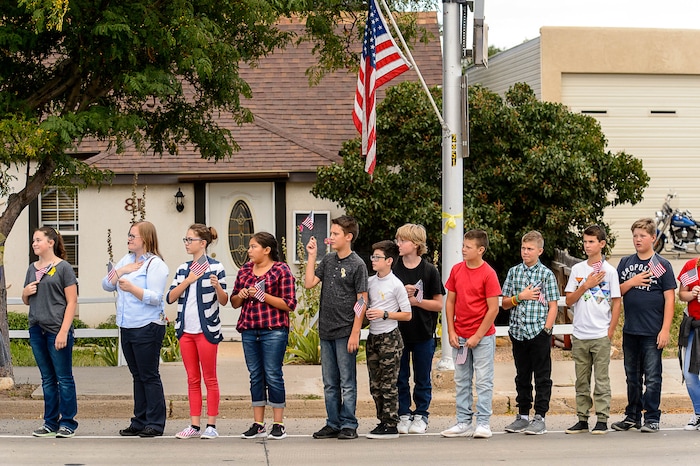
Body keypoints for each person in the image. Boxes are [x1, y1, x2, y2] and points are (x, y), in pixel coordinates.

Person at [102, 221, 169, 438]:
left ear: (146, 239)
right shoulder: (127, 260)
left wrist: (132, 288)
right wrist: (121, 270)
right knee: (137, 376)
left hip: (147, 326)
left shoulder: (155, 264)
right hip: (127, 325)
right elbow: (106, 283)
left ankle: (155, 423)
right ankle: (139, 421)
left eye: (133, 236)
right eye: (128, 235)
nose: (129, 239)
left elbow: (156, 298)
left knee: (149, 376)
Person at [305, 215, 368, 440]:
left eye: (335, 234)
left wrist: (355, 332)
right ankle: (333, 422)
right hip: (326, 330)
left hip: (345, 330)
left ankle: (349, 423)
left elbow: (362, 300)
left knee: (347, 382)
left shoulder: (357, 264)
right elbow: (309, 282)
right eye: (330, 233)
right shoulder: (329, 260)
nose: (330, 237)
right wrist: (312, 256)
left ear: (348, 237)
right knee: (330, 382)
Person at [231, 232, 297, 440]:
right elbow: (233, 302)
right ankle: (258, 423)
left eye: (253, 247)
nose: (249, 251)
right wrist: (240, 296)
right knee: (255, 375)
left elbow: (289, 304)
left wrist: (261, 295)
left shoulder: (281, 270)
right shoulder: (244, 271)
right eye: (249, 247)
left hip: (273, 330)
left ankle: (279, 424)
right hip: (249, 329)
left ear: (267, 250)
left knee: (273, 374)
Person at [612, 218, 675, 433]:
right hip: (631, 329)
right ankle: (632, 416)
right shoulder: (626, 263)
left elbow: (670, 299)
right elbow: (616, 291)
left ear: (653, 238)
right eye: (635, 235)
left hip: (652, 331)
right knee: (632, 377)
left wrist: (665, 329)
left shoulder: (661, 265)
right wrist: (632, 281)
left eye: (642, 236)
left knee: (653, 376)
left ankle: (652, 417)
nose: (638, 239)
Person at [167, 224, 228, 440]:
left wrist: (217, 287)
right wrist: (189, 280)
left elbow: (224, 300)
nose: (186, 243)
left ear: (202, 243)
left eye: (189, 240)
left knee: (210, 378)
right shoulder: (183, 269)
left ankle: (211, 425)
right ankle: (194, 425)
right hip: (186, 331)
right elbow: (170, 297)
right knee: (192, 378)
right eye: (185, 239)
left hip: (207, 330)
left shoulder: (216, 267)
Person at [440, 230, 501, 439]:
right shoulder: (457, 270)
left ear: (480, 250)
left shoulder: (488, 274)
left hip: (482, 337)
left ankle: (483, 422)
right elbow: (450, 302)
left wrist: (477, 335)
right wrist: (451, 330)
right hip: (460, 335)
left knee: (483, 380)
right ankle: (463, 421)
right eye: (463, 245)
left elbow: (493, 309)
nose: (463, 250)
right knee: (461, 379)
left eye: (468, 246)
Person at [564, 225, 621, 435]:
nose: (587, 245)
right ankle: (582, 418)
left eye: (591, 242)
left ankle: (603, 418)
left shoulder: (610, 272)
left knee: (602, 379)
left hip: (600, 334)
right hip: (580, 333)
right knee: (581, 379)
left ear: (602, 244)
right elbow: (569, 300)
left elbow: (616, 302)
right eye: (585, 241)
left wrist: (610, 331)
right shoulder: (578, 270)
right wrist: (585, 285)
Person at [22, 226, 79, 438]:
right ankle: (49, 423)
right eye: (33, 241)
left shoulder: (63, 268)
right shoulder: (31, 268)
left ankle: (68, 423)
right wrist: (25, 293)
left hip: (57, 329)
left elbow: (72, 301)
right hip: (37, 329)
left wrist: (64, 331)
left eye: (38, 240)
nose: (34, 243)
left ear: (50, 242)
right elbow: (27, 299)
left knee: (64, 378)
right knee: (47, 379)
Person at [501, 230, 559, 435]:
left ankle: (540, 416)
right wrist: (521, 296)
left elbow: (553, 305)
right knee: (522, 376)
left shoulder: (546, 275)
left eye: (530, 249)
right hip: (518, 332)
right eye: (523, 248)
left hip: (538, 331)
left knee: (542, 376)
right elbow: (505, 303)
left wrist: (547, 330)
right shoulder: (514, 272)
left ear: (539, 251)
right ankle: (523, 414)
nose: (525, 252)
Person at [393, 224, 445, 435]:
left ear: (415, 244)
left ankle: (421, 414)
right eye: (397, 240)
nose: (398, 244)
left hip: (424, 333)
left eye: (402, 241)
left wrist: (416, 301)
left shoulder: (429, 270)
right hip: (398, 333)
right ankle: (403, 413)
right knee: (400, 377)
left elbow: (438, 304)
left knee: (422, 377)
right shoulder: (393, 269)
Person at [365, 240, 412, 439]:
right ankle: (382, 420)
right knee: (374, 384)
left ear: (389, 261)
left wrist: (385, 314)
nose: (374, 260)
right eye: (373, 256)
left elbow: (407, 314)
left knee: (388, 383)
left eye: (378, 257)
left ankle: (392, 423)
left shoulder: (396, 285)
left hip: (390, 338)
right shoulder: (369, 281)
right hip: (373, 337)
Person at [677, 257, 700, 431]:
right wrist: (692, 294)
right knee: (688, 372)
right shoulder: (692, 266)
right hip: (693, 327)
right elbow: (681, 294)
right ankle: (698, 413)